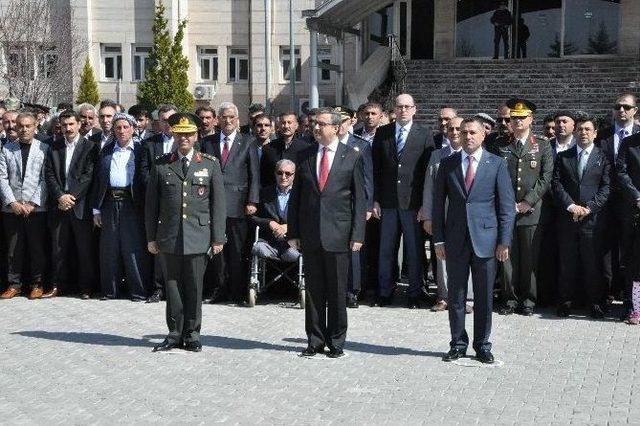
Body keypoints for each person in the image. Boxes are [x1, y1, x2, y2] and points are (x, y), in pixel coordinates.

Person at [433, 117, 515, 364]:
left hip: (486, 240)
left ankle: (482, 345)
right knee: (456, 296)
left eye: (472, 132)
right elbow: (438, 206)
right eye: (463, 132)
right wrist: (438, 240)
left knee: (483, 296)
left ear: (483, 136)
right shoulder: (447, 164)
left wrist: (504, 241)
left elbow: (506, 207)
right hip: (455, 238)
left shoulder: (497, 164)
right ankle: (457, 343)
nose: (467, 136)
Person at [288, 107, 366, 358]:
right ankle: (314, 340)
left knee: (336, 290)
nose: (317, 128)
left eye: (322, 124)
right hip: (310, 234)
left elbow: (359, 199)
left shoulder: (352, 155)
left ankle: (336, 341)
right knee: (313, 291)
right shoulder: (305, 155)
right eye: (315, 124)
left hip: (339, 234)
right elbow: (296, 197)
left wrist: (357, 234)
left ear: (336, 127)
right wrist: (294, 231)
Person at [146, 113, 226, 353]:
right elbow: (151, 205)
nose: (184, 138)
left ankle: (192, 334)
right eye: (180, 134)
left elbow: (218, 204)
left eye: (188, 134)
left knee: (194, 287)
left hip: (198, 236)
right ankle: (174, 334)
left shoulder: (209, 163)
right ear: (173, 134)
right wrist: (151, 237)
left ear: (196, 136)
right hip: (169, 236)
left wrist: (218, 238)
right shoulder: (161, 164)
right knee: (172, 288)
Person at [487, 99, 553, 316]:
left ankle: (528, 300)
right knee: (506, 257)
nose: (516, 122)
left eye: (521, 118)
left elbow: (546, 177)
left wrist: (527, 202)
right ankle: (509, 299)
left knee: (529, 258)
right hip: (506, 210)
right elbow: (494, 176)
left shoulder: (542, 145)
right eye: (513, 118)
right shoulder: (500, 145)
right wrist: (507, 204)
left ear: (531, 119)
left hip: (531, 211)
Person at [372, 93, 433, 308]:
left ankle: (415, 293)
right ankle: (384, 291)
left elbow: (428, 173)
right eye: (399, 107)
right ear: (394, 110)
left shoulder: (425, 135)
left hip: (413, 204)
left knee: (414, 251)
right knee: (386, 249)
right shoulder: (383, 133)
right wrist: (376, 200)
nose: (403, 110)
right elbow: (375, 169)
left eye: (408, 107)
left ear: (415, 109)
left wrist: (425, 205)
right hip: (387, 203)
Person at [201, 102, 260, 304]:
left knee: (237, 251)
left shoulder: (249, 142)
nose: (228, 121)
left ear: (238, 119)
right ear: (218, 119)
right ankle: (218, 290)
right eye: (224, 117)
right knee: (217, 251)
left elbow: (254, 174)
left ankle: (237, 292)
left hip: (239, 205)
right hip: (213, 205)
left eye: (231, 117)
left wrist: (252, 200)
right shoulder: (207, 142)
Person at [552, 116, 610, 318]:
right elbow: (557, 184)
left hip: (592, 220)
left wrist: (589, 208)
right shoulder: (564, 156)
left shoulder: (603, 157)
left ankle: (595, 303)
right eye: (580, 129)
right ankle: (565, 302)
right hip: (568, 218)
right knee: (567, 262)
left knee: (592, 263)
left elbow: (606, 187)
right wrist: (571, 206)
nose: (583, 133)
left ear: (595, 133)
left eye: (588, 129)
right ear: (575, 132)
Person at [92, 113, 150, 301]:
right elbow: (98, 180)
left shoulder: (141, 150)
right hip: (109, 203)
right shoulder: (106, 150)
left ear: (133, 129)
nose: (122, 131)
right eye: (118, 127)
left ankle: (138, 291)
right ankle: (109, 291)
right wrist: (96, 209)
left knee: (133, 248)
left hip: (132, 205)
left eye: (126, 127)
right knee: (109, 248)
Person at [44, 110, 99, 298]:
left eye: (71, 124)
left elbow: (88, 176)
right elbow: (49, 174)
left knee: (84, 249)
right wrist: (60, 196)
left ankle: (85, 287)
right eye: (64, 125)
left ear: (78, 124)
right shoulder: (54, 147)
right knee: (58, 248)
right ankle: (58, 285)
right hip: (59, 205)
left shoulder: (90, 147)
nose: (68, 128)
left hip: (79, 206)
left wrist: (70, 197)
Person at [422, 117, 473, 313]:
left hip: (465, 214)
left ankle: (467, 297)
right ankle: (443, 296)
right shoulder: (437, 156)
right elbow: (428, 188)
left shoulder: (473, 155)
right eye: (450, 129)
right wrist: (427, 216)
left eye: (458, 129)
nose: (454, 132)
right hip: (441, 214)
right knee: (441, 255)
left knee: (467, 254)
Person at [596, 94, 640, 315]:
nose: (621, 110)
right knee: (604, 251)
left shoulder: (636, 137)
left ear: (635, 110)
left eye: (626, 107)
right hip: (605, 204)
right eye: (617, 106)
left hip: (631, 206)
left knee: (630, 253)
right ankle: (605, 295)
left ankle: (629, 300)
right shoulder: (601, 136)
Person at [0, 112, 49, 299]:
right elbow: (2, 177)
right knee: (13, 249)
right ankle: (14, 284)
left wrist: (32, 202)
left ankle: (37, 283)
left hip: (36, 208)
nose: (23, 129)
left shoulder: (44, 148)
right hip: (12, 208)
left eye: (28, 126)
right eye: (20, 126)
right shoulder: (7, 149)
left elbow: (45, 178)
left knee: (36, 248)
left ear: (35, 126)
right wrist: (12, 201)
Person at [336, 106, 373, 308]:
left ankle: (352, 290)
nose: (339, 125)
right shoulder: (326, 145)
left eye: (342, 121)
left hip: (353, 205)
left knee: (354, 249)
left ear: (351, 122)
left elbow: (367, 179)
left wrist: (367, 205)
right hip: (334, 206)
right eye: (336, 121)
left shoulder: (361, 145)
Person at [142, 104, 177, 303]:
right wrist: (159, 187)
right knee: (157, 246)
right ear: (159, 122)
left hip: (179, 201)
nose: (168, 124)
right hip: (158, 202)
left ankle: (177, 288)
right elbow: (144, 172)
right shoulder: (150, 143)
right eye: (164, 120)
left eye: (171, 120)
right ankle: (158, 288)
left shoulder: (188, 142)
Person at [614, 97, 640, 324]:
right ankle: (633, 306)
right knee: (633, 261)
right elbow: (621, 172)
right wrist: (637, 196)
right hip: (634, 210)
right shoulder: (629, 143)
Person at [251, 159, 300, 263]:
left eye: (288, 174)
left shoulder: (301, 194)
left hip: (292, 244)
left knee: (294, 254)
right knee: (258, 248)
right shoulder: (264, 193)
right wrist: (269, 223)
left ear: (294, 175)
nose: (283, 177)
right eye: (280, 173)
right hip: (269, 242)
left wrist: (289, 226)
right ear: (275, 173)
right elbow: (253, 218)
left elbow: (309, 218)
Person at [260, 112, 309, 188]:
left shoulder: (305, 148)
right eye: (283, 123)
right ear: (279, 125)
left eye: (289, 123)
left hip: (297, 194)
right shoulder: (269, 148)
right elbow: (264, 176)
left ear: (296, 125)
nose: (286, 126)